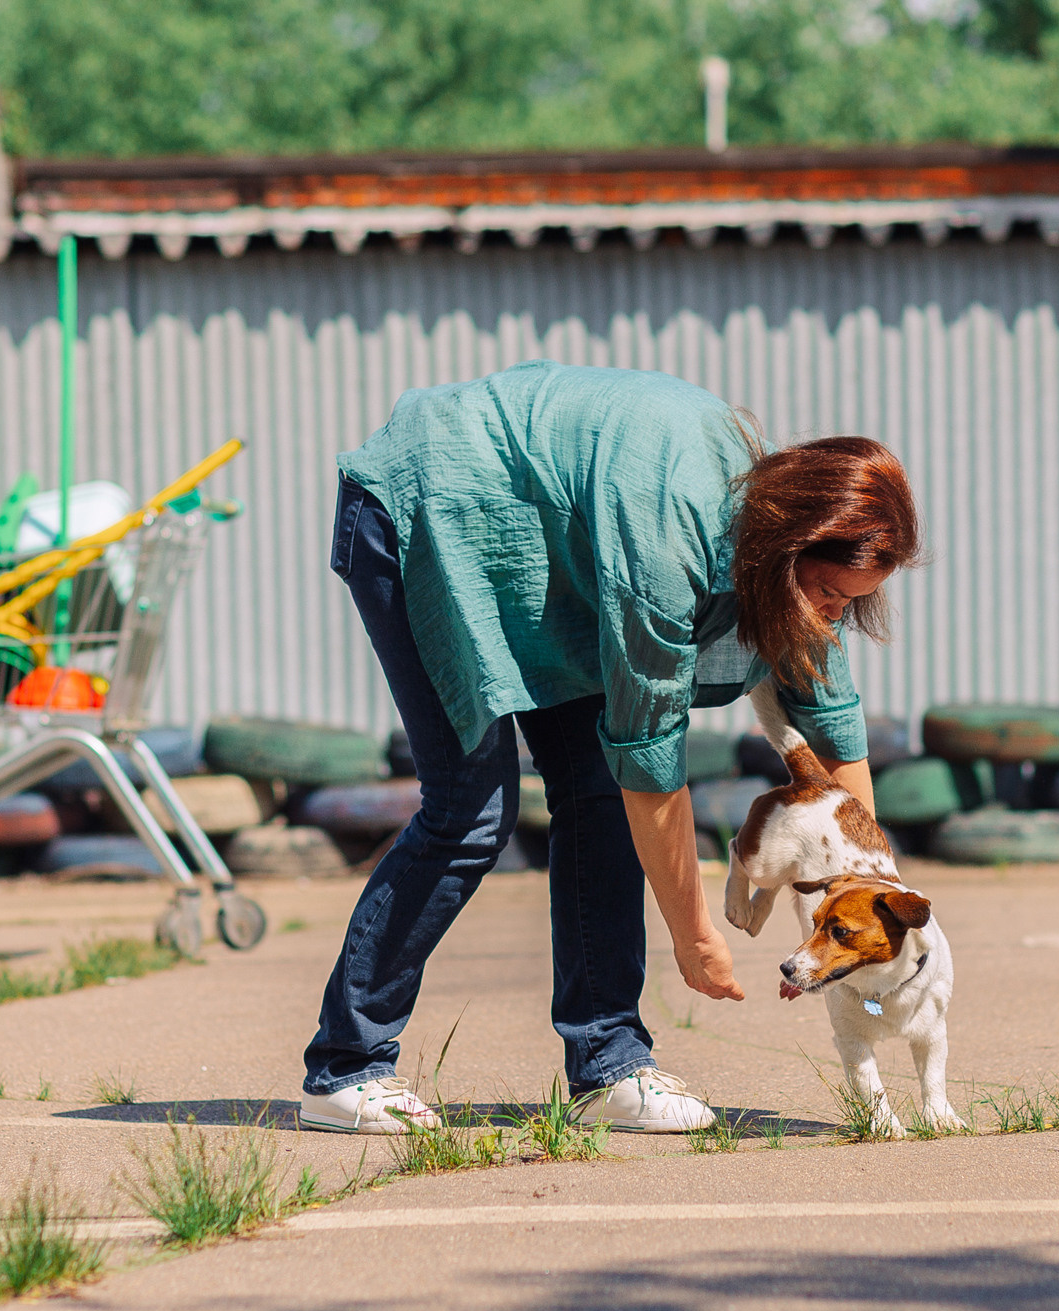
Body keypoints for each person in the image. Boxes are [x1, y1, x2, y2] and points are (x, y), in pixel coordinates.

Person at [300, 359, 922, 1134]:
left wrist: (875, 897)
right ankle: (345, 1067)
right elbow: (652, 762)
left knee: (594, 792)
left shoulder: (787, 542)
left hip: (550, 541)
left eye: (849, 603)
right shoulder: (672, 546)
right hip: (431, 503)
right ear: (786, 550)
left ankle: (608, 1067)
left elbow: (832, 728)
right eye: (828, 595)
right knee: (471, 809)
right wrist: (694, 937)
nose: (833, 616)